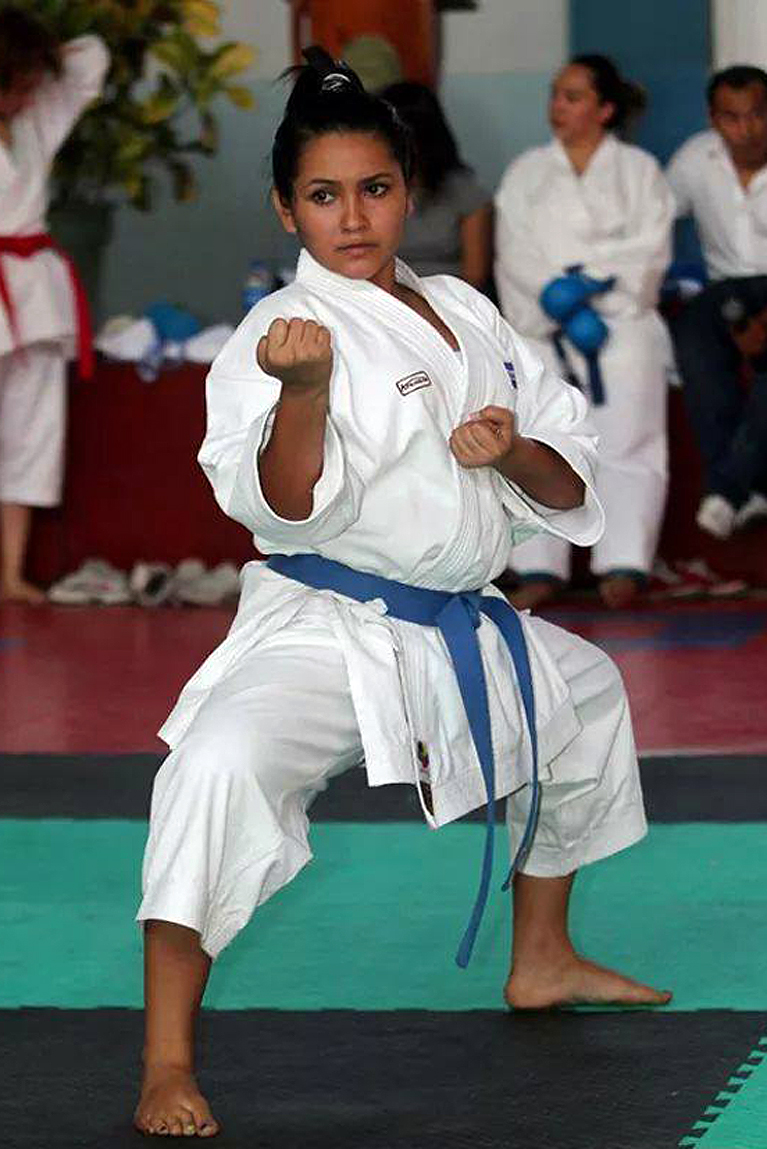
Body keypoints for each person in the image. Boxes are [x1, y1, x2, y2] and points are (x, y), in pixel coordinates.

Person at [133, 49, 670, 1140]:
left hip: (454, 619)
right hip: (328, 628)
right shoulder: (277, 336)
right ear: (286, 207)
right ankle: (164, 1061)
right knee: (215, 768)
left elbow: (565, 470)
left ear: (407, 191)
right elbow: (283, 507)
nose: (352, 217)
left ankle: (541, 958)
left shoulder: (463, 308)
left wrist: (510, 450)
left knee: (585, 694)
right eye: (323, 195)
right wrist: (303, 393)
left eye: (373, 189)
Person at [494, 55, 675, 610]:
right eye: (555, 94)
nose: (558, 106)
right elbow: (513, 250)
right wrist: (554, 296)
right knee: (540, 438)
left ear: (606, 109)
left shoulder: (639, 170)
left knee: (628, 440)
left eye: (572, 97)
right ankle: (539, 565)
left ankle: (625, 562)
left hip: (619, 321)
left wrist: (591, 284)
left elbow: (650, 248)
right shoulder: (526, 172)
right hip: (543, 325)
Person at [0, 6, 108, 603]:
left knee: (32, 430)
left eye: (30, 85)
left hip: (34, 293)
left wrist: (37, 55)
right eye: (16, 85)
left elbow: (92, 56)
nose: (26, 97)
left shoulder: (37, 118)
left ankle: (9, 573)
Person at [667, 65, 767, 539]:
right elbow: (653, 221)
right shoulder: (695, 159)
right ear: (713, 119)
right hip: (724, 290)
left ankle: (727, 489)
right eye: (733, 117)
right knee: (693, 338)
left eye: (758, 115)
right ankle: (752, 489)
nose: (747, 129)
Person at [379, 80, 492, 288]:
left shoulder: (466, 193)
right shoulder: (368, 191)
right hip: (382, 297)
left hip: (451, 298)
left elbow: (475, 276)